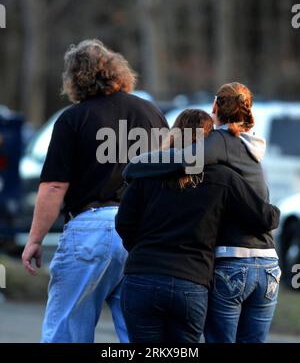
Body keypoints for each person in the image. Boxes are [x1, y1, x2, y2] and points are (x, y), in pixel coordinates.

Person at [21, 39, 168, 343]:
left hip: (92, 229)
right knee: (141, 337)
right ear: (119, 71)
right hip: (144, 233)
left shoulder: (74, 119)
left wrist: (35, 239)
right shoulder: (153, 115)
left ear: (75, 78)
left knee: (67, 331)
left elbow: (54, 185)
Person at [123, 82, 281, 343]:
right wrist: (274, 214)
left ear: (215, 106)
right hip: (267, 264)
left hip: (233, 262)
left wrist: (135, 167)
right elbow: (262, 212)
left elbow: (186, 160)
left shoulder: (221, 142)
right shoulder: (252, 148)